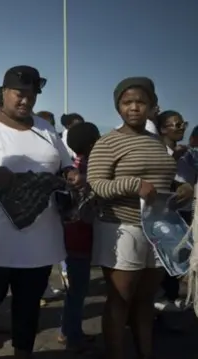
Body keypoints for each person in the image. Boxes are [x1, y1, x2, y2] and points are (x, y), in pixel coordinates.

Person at [0, 65, 82, 358]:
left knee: (28, 301)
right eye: (19, 94)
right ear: (4, 93)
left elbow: (64, 164)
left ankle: (23, 352)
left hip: (40, 235)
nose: (25, 101)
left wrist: (71, 175)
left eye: (31, 95)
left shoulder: (45, 128)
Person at [87, 77, 190, 359]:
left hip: (159, 229)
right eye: (127, 102)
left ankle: (146, 353)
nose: (134, 107)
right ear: (118, 106)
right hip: (122, 227)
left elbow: (166, 180)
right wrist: (133, 184)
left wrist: (182, 188)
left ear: (152, 107)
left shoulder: (159, 143)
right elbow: (96, 184)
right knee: (120, 300)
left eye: (141, 102)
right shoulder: (108, 142)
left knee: (146, 300)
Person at [58, 122, 101, 353]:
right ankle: (71, 336)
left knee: (74, 290)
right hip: (80, 237)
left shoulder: (72, 167)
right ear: (93, 143)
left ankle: (69, 331)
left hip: (70, 236)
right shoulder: (89, 170)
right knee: (78, 290)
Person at [153, 110, 194, 314]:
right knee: (163, 262)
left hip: (186, 213)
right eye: (175, 125)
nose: (181, 128)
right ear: (162, 129)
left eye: (183, 124)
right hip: (166, 215)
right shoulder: (158, 153)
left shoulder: (187, 154)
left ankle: (169, 303)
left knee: (178, 259)